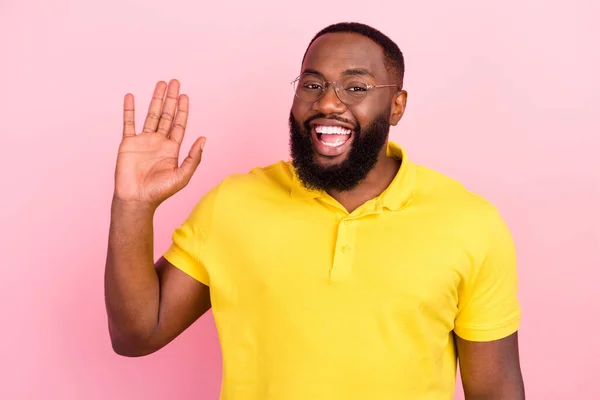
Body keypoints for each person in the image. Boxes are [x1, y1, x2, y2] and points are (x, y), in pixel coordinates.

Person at [104, 22, 525, 400]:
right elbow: (137, 333)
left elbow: (496, 390)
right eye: (312, 84)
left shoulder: (470, 223)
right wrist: (133, 206)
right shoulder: (233, 204)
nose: (327, 103)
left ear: (396, 106)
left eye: (355, 88)